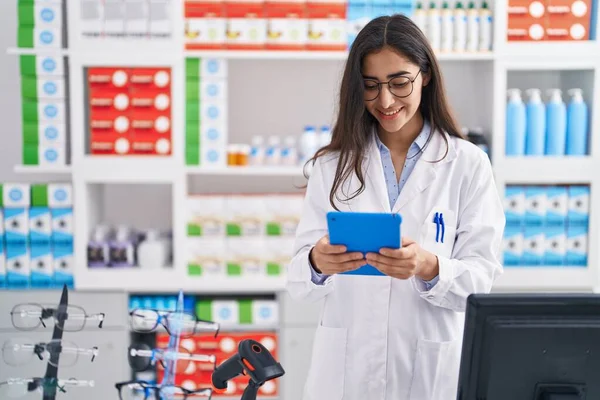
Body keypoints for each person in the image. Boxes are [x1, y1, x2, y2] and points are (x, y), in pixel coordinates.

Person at [286, 14, 505, 400]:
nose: (385, 101)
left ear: (425, 76)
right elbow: (299, 282)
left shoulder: (468, 164)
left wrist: (428, 266)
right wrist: (318, 263)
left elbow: (480, 282)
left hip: (428, 371)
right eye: (370, 86)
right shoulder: (330, 165)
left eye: (399, 82)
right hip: (346, 375)